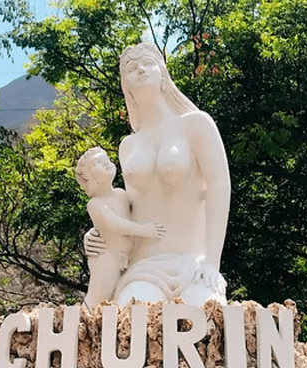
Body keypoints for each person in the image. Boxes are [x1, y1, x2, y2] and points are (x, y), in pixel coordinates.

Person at [84, 43, 231, 307]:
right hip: (145, 268)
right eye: (130, 68)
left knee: (202, 316)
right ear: (125, 85)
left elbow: (219, 186)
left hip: (193, 264)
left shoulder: (196, 124)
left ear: (163, 74)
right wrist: (99, 232)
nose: (140, 69)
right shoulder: (128, 146)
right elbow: (128, 207)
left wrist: (212, 262)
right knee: (132, 320)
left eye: (148, 63)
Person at [76, 147, 165, 310]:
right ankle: (83, 322)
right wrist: (143, 230)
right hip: (106, 256)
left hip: (127, 258)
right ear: (89, 179)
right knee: (100, 292)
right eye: (97, 162)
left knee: (118, 293)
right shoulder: (95, 204)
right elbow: (116, 225)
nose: (105, 162)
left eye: (106, 158)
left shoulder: (121, 194)